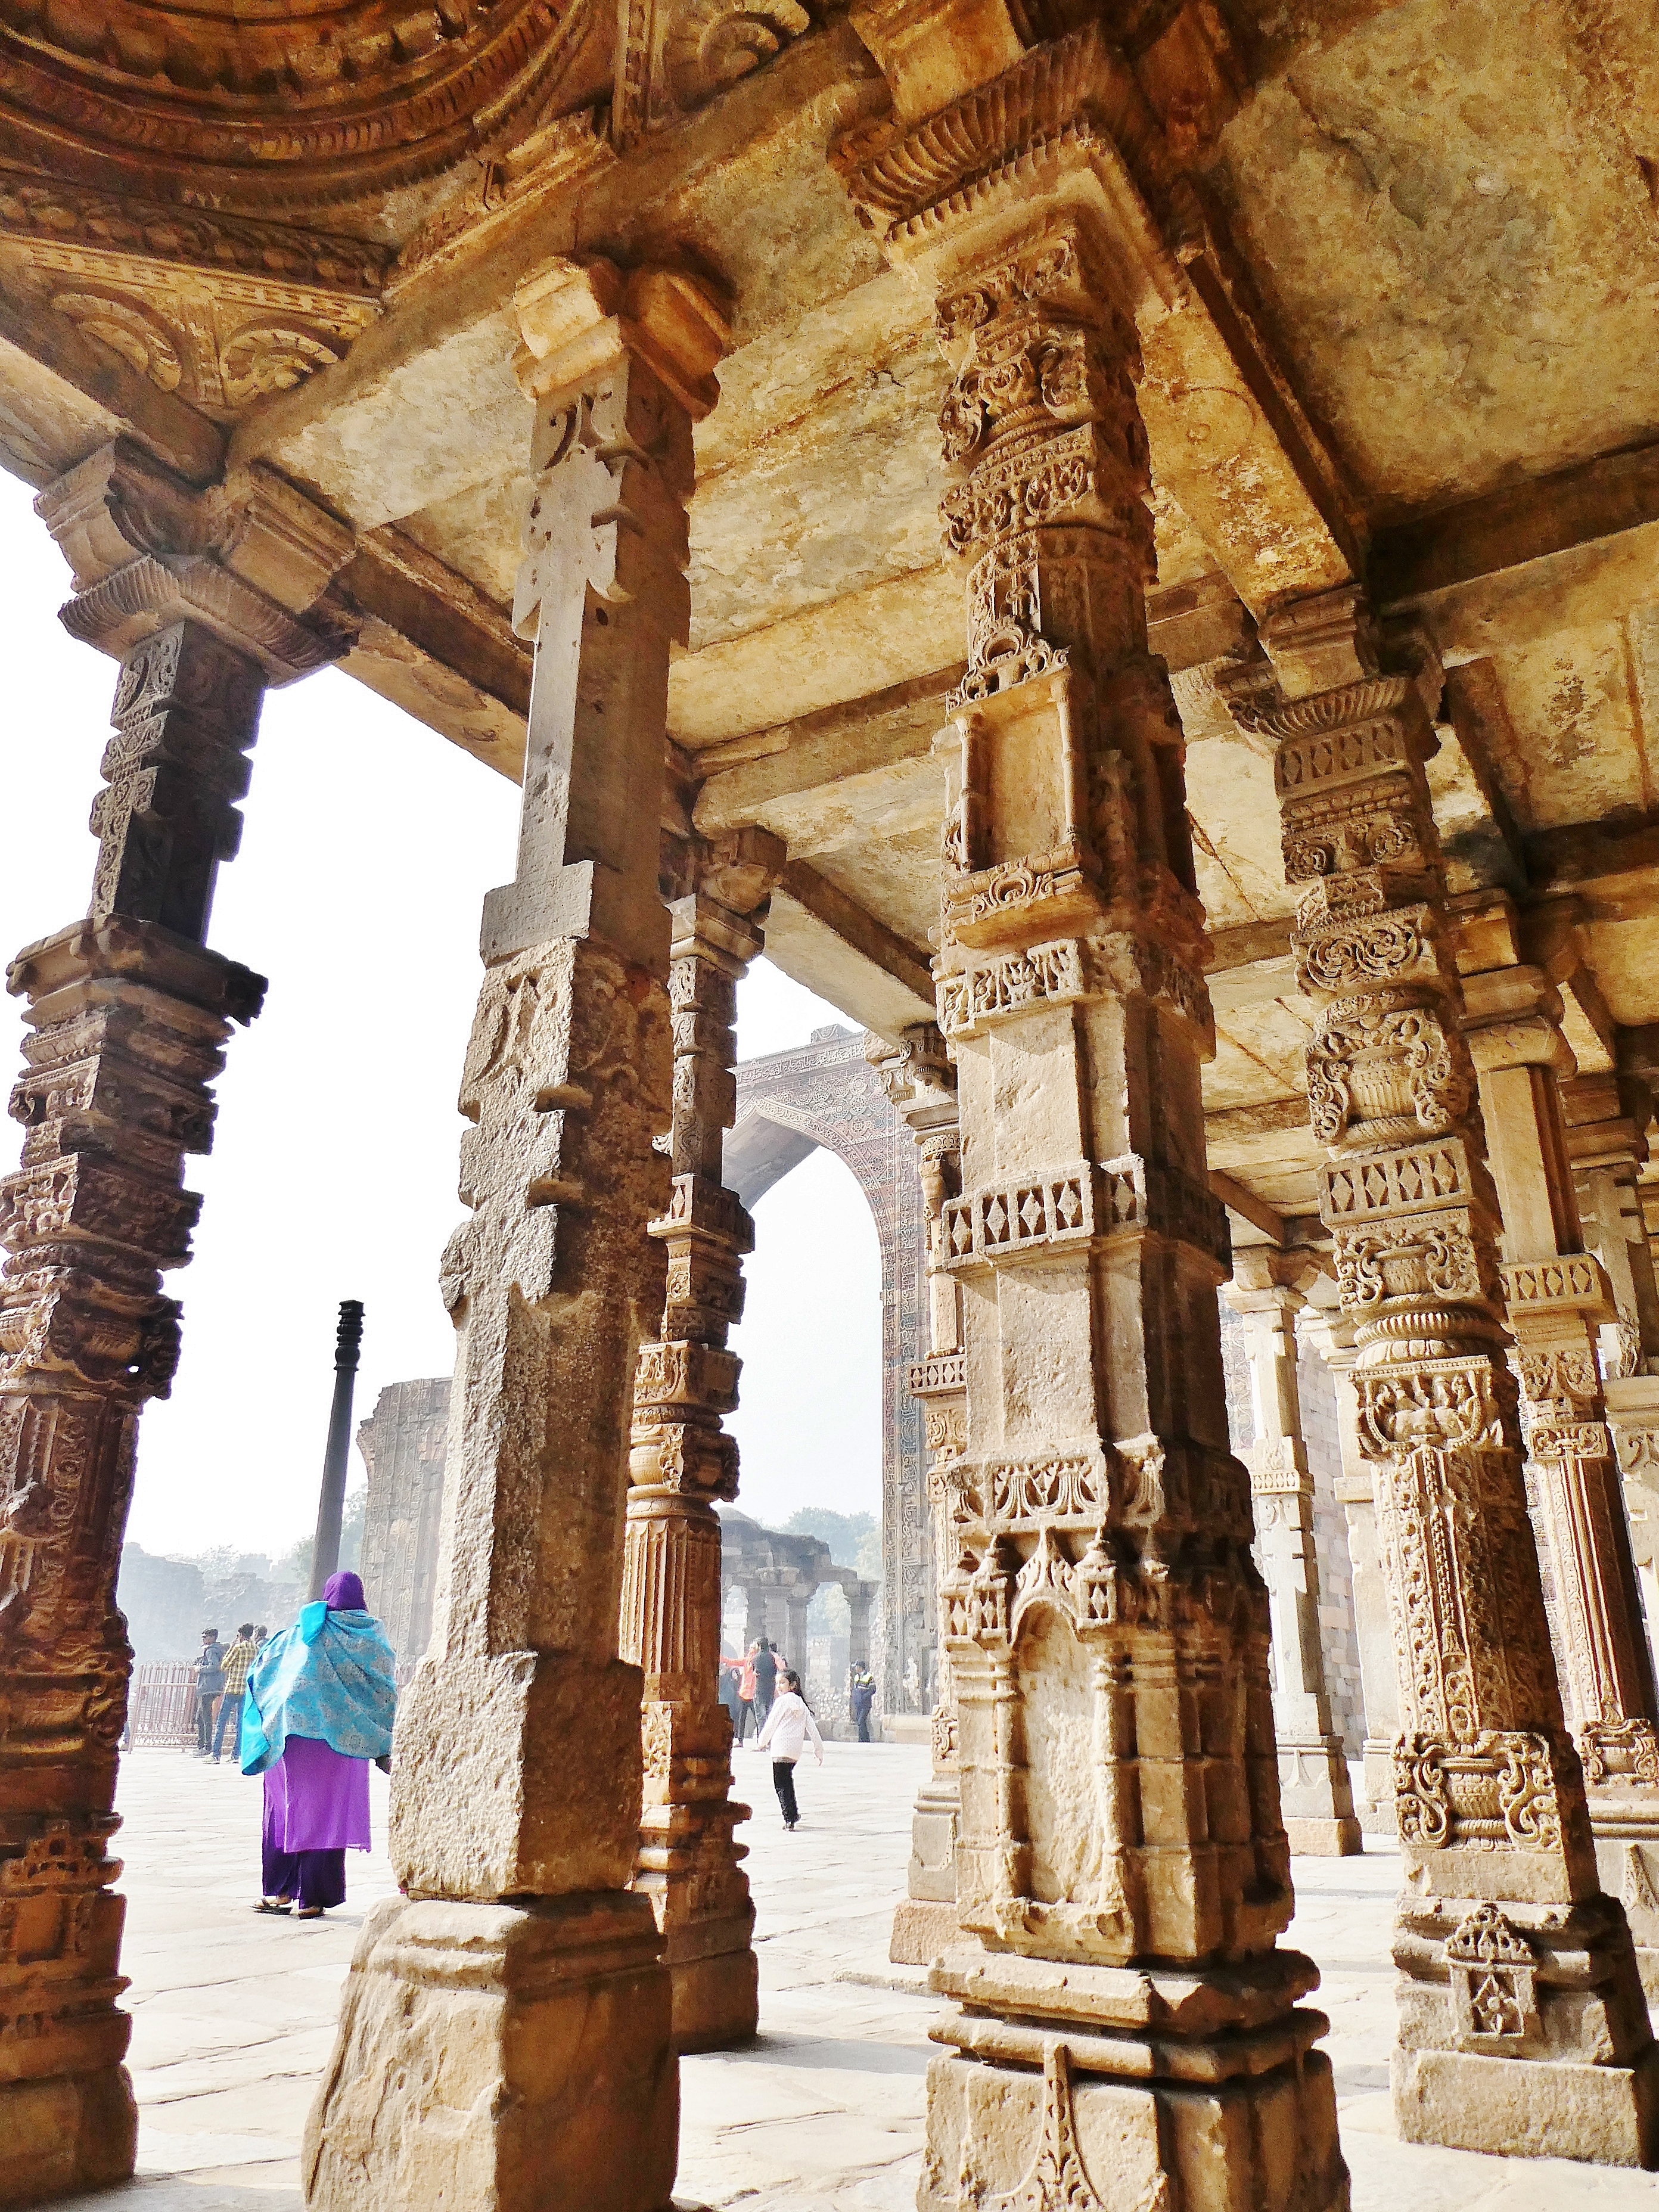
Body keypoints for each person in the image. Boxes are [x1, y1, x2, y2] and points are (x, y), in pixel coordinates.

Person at [240, 1571, 397, 1919]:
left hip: (292, 1740)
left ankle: (280, 1892)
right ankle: (312, 1899)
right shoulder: (371, 1637)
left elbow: (262, 1674)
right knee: (327, 1816)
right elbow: (384, 1690)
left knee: (284, 1811)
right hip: (345, 1743)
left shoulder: (299, 1634)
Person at [754, 1669, 822, 1831]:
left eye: (782, 1683)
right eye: (777, 1683)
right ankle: (794, 1813)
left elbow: (771, 1723)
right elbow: (812, 1729)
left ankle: (789, 1818)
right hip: (794, 1752)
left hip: (780, 1749)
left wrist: (761, 1742)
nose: (779, 1686)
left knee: (781, 1784)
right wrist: (819, 1750)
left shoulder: (782, 1702)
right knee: (787, 1780)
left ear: (792, 1685)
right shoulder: (802, 1705)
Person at [212, 1624, 257, 1763]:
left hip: (232, 1688)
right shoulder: (256, 1649)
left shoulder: (238, 1648)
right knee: (241, 1724)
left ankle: (216, 1754)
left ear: (241, 1635)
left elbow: (224, 1665)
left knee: (222, 1722)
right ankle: (235, 1755)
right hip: (246, 1690)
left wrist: (232, 1647)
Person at [193, 1628, 226, 1757]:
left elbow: (214, 1666)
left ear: (212, 1638)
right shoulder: (218, 1649)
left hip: (208, 1688)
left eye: (206, 1637)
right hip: (213, 1687)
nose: (204, 1639)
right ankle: (201, 1745)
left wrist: (199, 1669)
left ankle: (206, 1746)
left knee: (204, 1717)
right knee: (201, 1716)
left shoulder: (212, 1650)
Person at [751, 1637, 778, 1728]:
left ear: (759, 1646)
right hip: (770, 1689)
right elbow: (775, 1672)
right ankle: (769, 1738)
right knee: (769, 1714)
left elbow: (755, 1671)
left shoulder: (755, 1658)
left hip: (760, 1689)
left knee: (760, 1716)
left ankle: (762, 1738)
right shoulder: (772, 1657)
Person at [849, 1661, 877, 1744]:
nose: (855, 1668)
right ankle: (861, 1739)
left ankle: (865, 1740)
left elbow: (873, 1690)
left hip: (865, 1704)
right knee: (859, 1721)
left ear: (860, 1668)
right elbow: (855, 1689)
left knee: (861, 1720)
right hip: (858, 1703)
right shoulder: (857, 1677)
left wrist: (864, 1697)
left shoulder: (869, 1677)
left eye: (856, 1667)